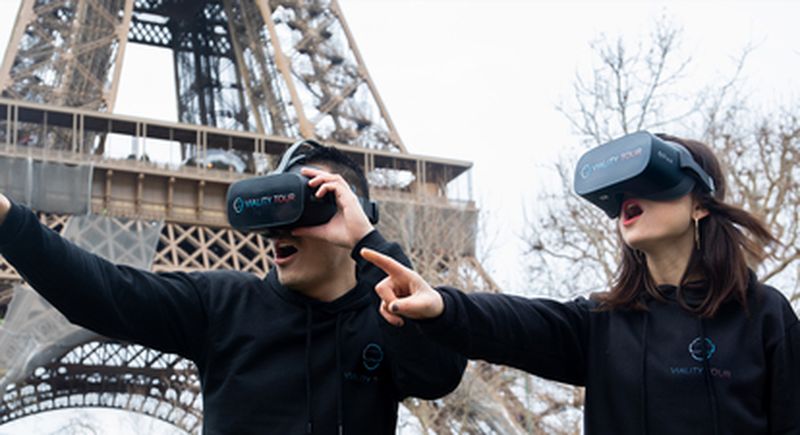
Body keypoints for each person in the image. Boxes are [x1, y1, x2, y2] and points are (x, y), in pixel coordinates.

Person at [0, 143, 466, 434]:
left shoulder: (387, 318)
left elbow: (440, 374)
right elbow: (104, 293)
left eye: (304, 209)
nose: (279, 231)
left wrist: (371, 245)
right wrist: (8, 221)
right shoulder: (223, 304)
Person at [362, 132, 800, 435]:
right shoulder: (603, 324)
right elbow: (515, 324)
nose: (630, 197)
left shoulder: (764, 316)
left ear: (700, 205)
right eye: (621, 191)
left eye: (648, 181)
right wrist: (441, 305)